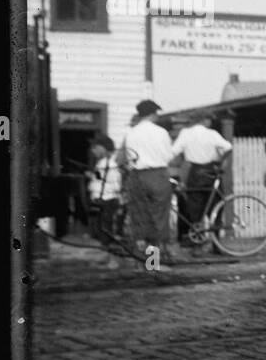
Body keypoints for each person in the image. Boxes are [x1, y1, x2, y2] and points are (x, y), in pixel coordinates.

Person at [119, 99, 177, 264]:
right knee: (158, 217)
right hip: (157, 175)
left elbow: (124, 157)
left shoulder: (131, 133)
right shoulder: (161, 132)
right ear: (152, 113)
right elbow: (168, 156)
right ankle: (154, 263)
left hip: (136, 176)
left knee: (140, 217)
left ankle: (142, 261)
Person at [171, 110, 232, 248]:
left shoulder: (186, 134)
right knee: (216, 208)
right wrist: (221, 161)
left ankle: (197, 243)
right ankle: (217, 245)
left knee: (195, 210)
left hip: (195, 172)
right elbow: (228, 147)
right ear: (205, 120)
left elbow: (173, 151)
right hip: (211, 171)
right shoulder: (212, 134)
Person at [88, 135, 123, 269]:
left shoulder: (112, 163)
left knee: (110, 230)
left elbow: (114, 183)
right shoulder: (102, 162)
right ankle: (107, 256)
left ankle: (114, 261)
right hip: (101, 200)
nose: (93, 151)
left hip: (109, 201)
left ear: (103, 147)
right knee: (102, 230)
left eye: (95, 148)